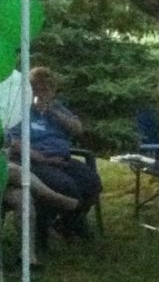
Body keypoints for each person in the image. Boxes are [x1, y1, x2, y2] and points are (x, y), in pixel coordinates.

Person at [7, 66, 100, 240]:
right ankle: (53, 225)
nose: (39, 93)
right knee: (65, 186)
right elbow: (15, 143)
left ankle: (68, 223)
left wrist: (52, 112)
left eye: (45, 89)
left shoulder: (56, 108)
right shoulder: (19, 110)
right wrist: (44, 159)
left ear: (53, 91)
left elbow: (78, 129)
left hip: (62, 158)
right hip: (33, 160)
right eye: (35, 88)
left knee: (92, 182)